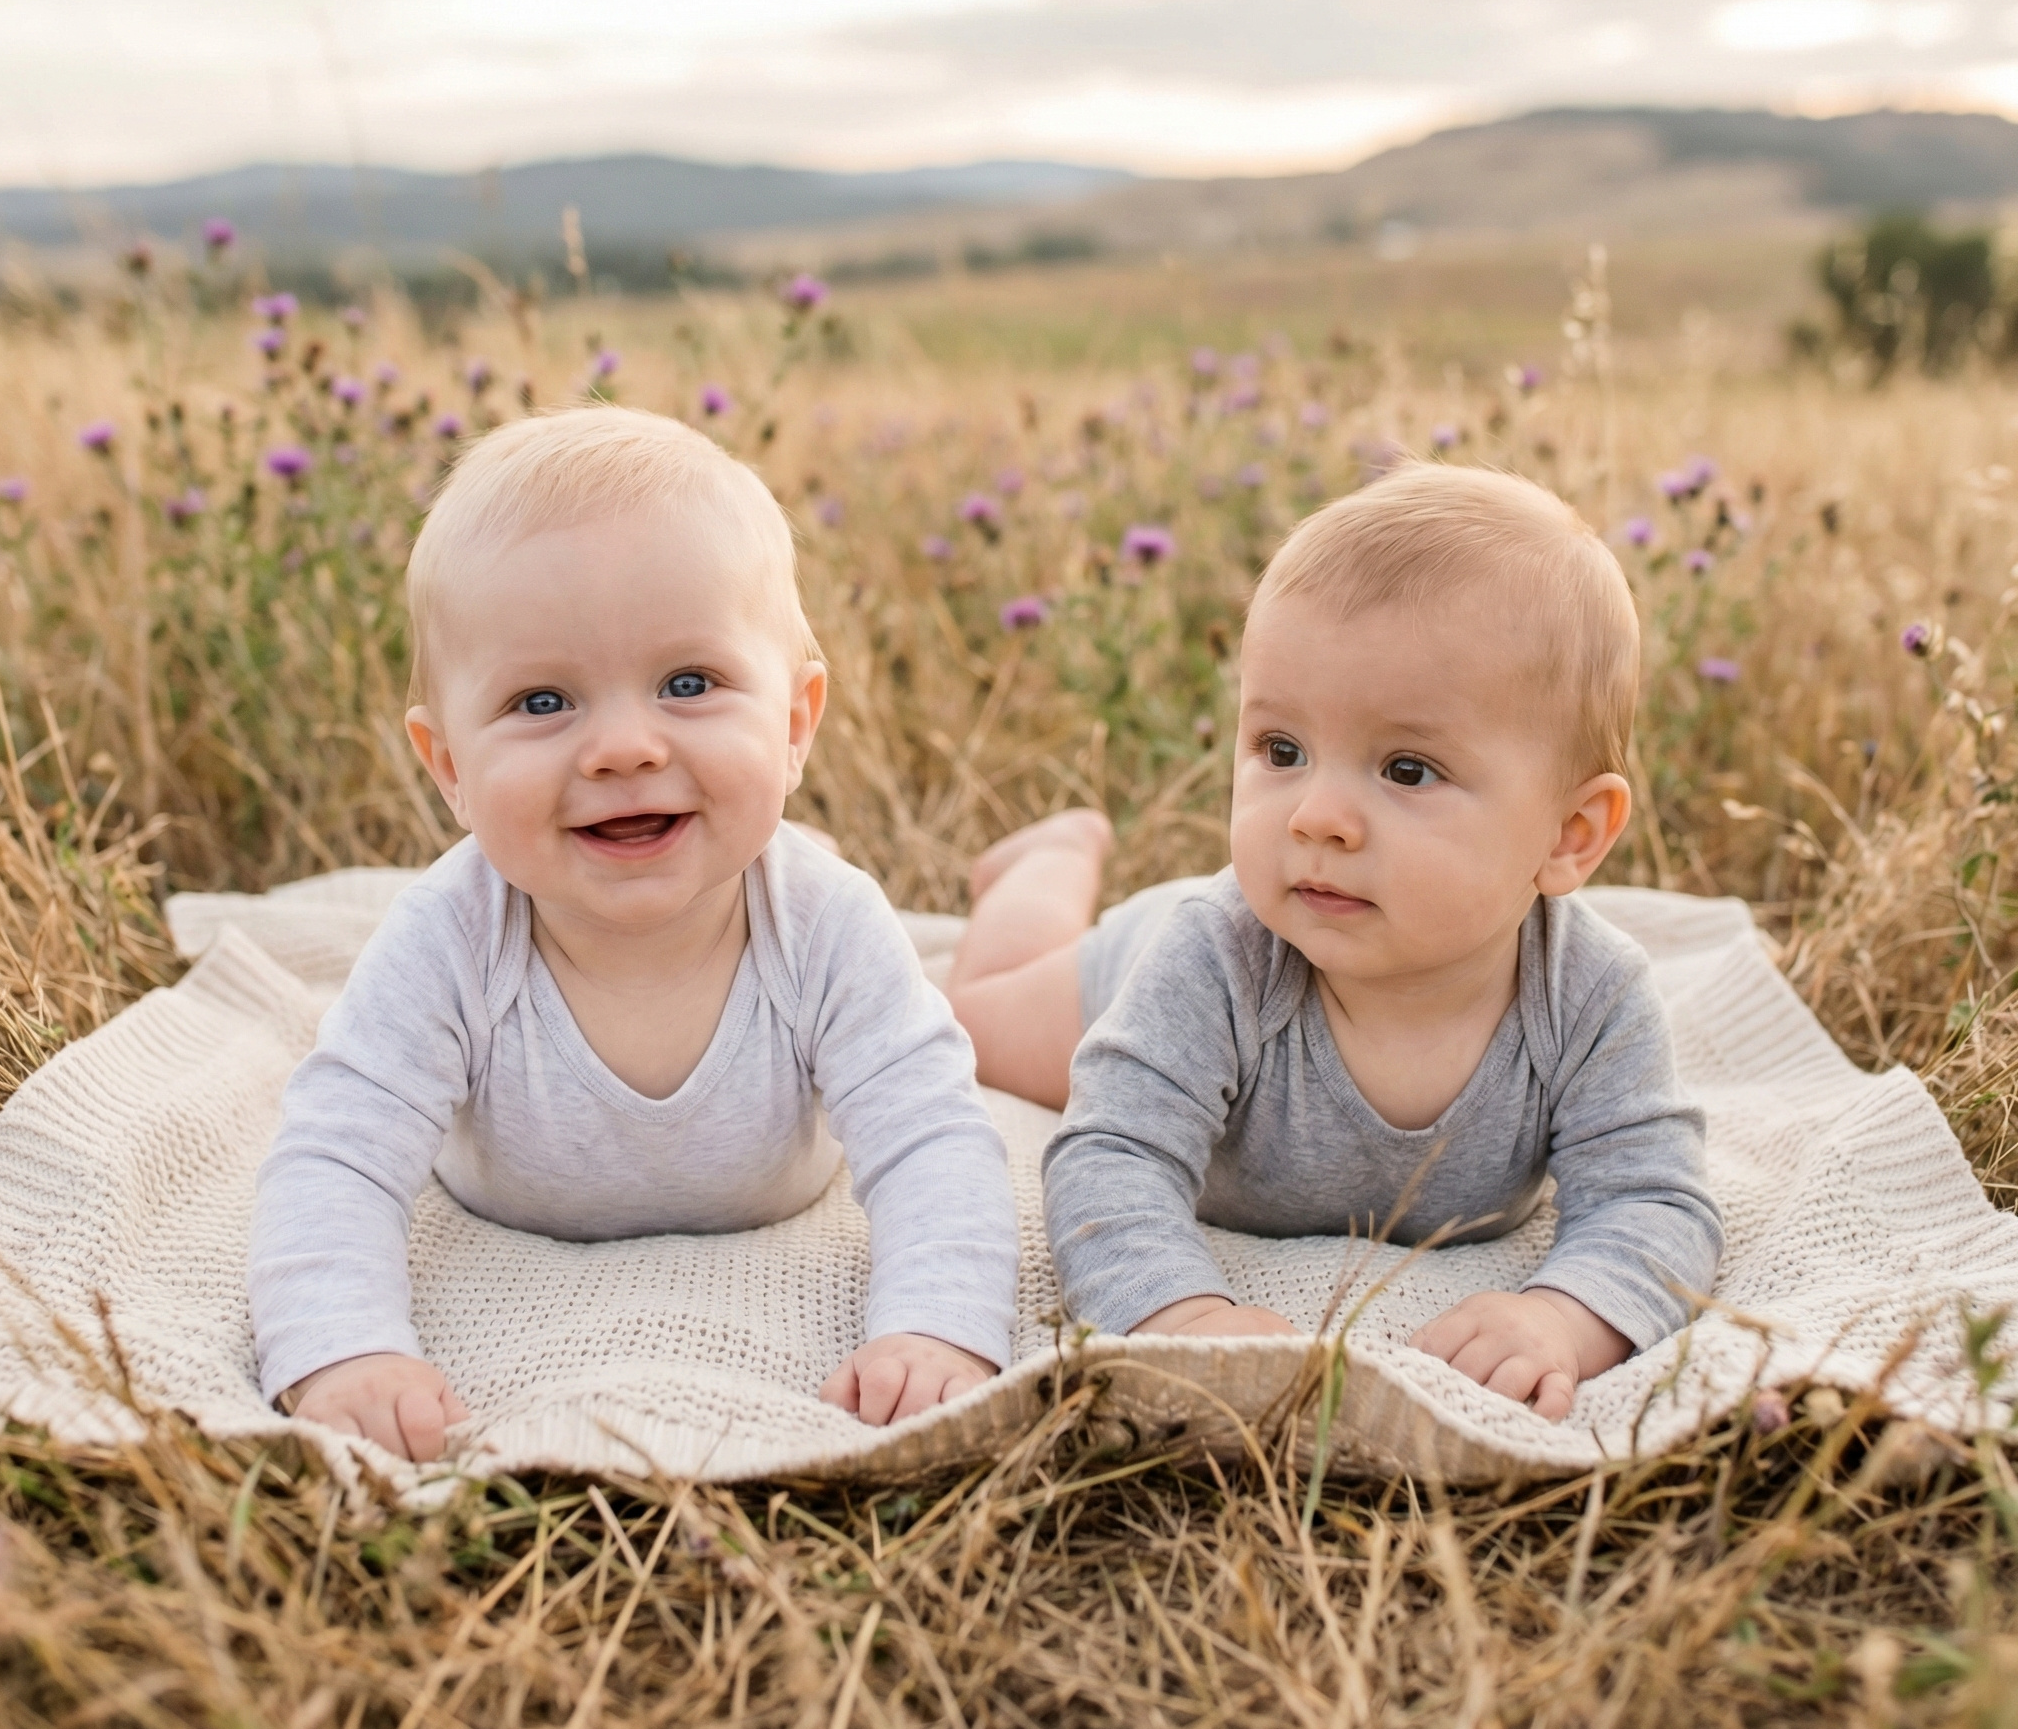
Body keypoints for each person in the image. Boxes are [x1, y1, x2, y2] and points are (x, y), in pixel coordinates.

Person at [248, 407, 1018, 1460]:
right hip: (498, 1205)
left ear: (794, 723)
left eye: (688, 683)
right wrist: (342, 1348)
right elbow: (335, 1152)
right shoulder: (450, 934)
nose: (621, 746)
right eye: (542, 699)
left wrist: (934, 1325)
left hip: (788, 1151)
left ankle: (1037, 874)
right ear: (450, 769)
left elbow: (933, 1138)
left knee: (975, 1000)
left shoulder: (827, 923)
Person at [960, 463, 1721, 1419]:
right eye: (1281, 751)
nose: (1317, 816)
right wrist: (1180, 1313)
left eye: (1406, 769)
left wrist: (1564, 1319)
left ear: (1570, 836)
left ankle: (1062, 860)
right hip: (1140, 961)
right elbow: (1110, 1153)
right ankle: (1050, 865)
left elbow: (1656, 1201)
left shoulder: (1589, 996)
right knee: (968, 1020)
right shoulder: (1220, 960)